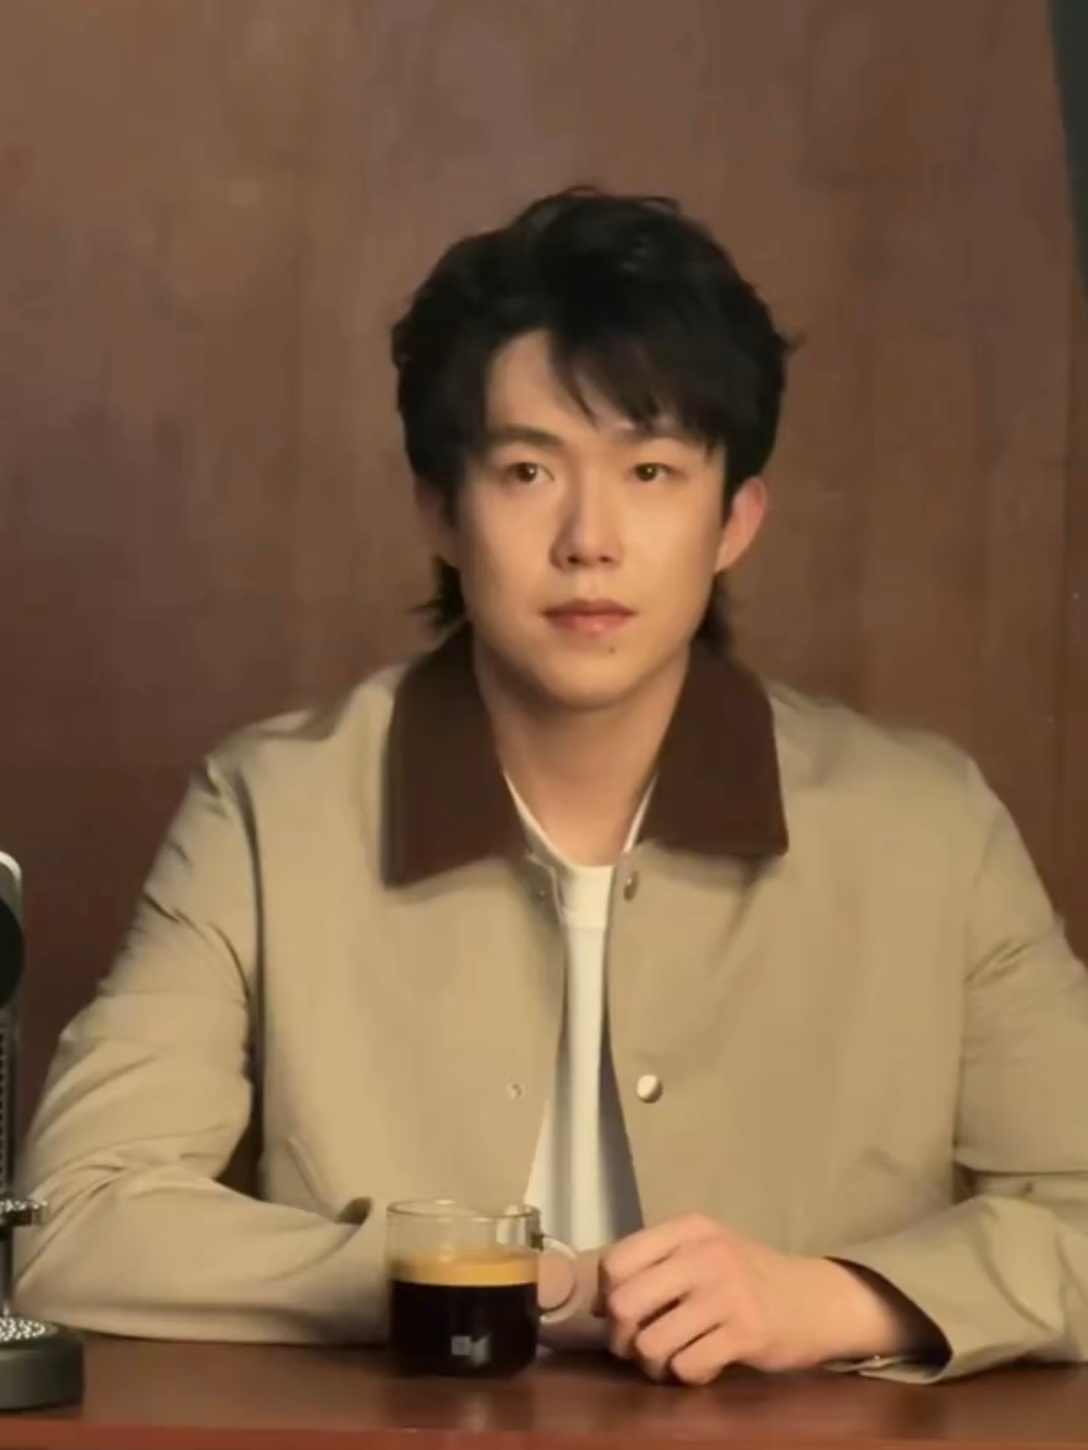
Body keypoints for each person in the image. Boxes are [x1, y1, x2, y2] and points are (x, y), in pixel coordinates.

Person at [15, 188, 1088, 1386]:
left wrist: (833, 1300)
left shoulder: (926, 830)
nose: (589, 538)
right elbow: (72, 1221)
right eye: (528, 470)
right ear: (440, 509)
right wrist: (493, 1275)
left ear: (734, 519)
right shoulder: (272, 811)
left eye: (650, 470)